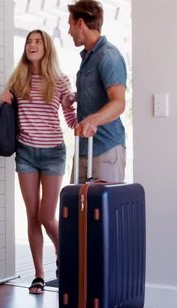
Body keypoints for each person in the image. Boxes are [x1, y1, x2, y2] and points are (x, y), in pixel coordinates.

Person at [0, 29, 77, 294]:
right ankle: (39, 275)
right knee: (32, 216)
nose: (32, 45)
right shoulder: (17, 79)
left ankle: (62, 251)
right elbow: (7, 113)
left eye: (37, 42)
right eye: (29, 42)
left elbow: (70, 121)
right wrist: (4, 101)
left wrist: (82, 112)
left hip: (54, 152)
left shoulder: (60, 80)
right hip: (26, 154)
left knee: (47, 216)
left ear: (47, 48)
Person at [66, 0, 128, 183]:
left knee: (103, 210)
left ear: (80, 23)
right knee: (76, 209)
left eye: (70, 25)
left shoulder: (108, 56)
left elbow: (118, 102)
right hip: (83, 148)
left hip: (105, 149)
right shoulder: (88, 57)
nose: (69, 31)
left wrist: (93, 119)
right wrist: (76, 97)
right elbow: (97, 91)